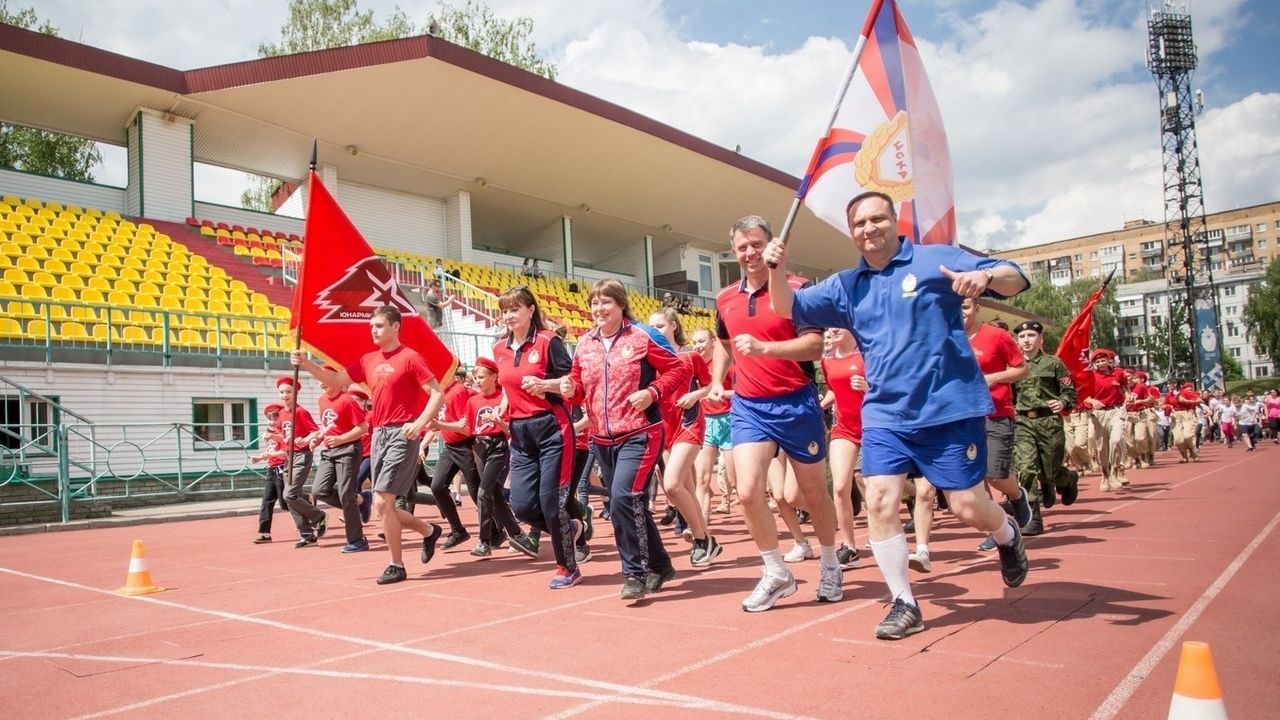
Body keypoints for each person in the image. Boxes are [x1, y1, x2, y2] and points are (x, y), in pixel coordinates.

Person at [764, 191, 1031, 640]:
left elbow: (1016, 277)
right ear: (851, 232)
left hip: (948, 408)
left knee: (967, 505)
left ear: (894, 221)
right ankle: (904, 602)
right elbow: (787, 307)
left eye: (877, 219)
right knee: (881, 500)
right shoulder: (847, 285)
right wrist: (774, 270)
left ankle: (1006, 533)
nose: (869, 229)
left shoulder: (934, 260)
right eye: (860, 223)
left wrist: (983, 277)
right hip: (886, 413)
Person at [707, 214, 843, 613]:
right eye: (742, 246)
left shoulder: (799, 290)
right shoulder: (725, 297)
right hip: (749, 404)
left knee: (813, 493)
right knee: (748, 491)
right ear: (734, 252)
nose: (750, 252)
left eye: (757, 244)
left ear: (773, 245)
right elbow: (724, 341)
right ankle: (776, 571)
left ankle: (831, 562)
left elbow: (815, 348)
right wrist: (718, 377)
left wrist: (766, 349)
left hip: (796, 402)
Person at [292, 306, 447, 585]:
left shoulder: (410, 358)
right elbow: (335, 380)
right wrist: (306, 363)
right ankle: (428, 530)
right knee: (382, 507)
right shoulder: (368, 359)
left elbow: (437, 393)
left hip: (403, 433)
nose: (373, 331)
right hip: (379, 435)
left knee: (382, 501)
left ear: (395, 327)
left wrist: (419, 423)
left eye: (379, 325)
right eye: (371, 326)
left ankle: (396, 565)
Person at [562, 279, 689, 599]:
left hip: (641, 433)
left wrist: (653, 391)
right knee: (630, 502)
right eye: (594, 303)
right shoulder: (584, 344)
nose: (599, 309)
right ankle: (660, 564)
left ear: (621, 305)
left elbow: (677, 370)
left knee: (621, 499)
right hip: (602, 438)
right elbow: (578, 388)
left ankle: (635, 572)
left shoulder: (643, 336)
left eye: (606, 302)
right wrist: (570, 390)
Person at [492, 286, 585, 589]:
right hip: (520, 433)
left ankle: (567, 567)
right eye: (505, 310)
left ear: (531, 310)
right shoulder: (499, 348)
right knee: (521, 506)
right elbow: (508, 385)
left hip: (552, 428)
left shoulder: (548, 342)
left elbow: (573, 383)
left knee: (550, 503)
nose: (509, 316)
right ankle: (570, 527)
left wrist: (547, 385)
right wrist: (502, 409)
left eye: (515, 309)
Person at [649, 306, 723, 567]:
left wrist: (694, 395)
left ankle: (702, 539)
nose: (654, 331)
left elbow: (710, 385)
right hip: (664, 428)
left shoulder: (690, 357)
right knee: (686, 488)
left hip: (689, 424)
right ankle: (707, 539)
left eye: (659, 326)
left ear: (673, 326)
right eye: (651, 327)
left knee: (672, 485)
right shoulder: (650, 359)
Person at [958, 297, 1032, 551]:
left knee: (994, 473)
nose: (961, 312)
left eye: (966, 307)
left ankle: (1017, 495)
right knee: (976, 478)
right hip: (962, 417)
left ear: (977, 308)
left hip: (996, 412)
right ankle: (995, 528)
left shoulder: (996, 336)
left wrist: (995, 378)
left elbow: (1022, 369)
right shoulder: (946, 337)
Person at [449, 357, 537, 558]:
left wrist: (498, 422)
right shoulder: (472, 401)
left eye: (481, 377)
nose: (477, 381)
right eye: (475, 377)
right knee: (494, 493)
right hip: (479, 447)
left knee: (484, 492)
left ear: (494, 376)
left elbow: (509, 431)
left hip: (498, 445)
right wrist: (443, 426)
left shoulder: (502, 400)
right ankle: (517, 534)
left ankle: (484, 541)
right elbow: (468, 430)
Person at [1010, 320, 1080, 536]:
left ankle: (1068, 479)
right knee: (1027, 469)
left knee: (1050, 473)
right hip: (1023, 423)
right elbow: (1009, 394)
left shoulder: (1054, 364)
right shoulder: (1013, 366)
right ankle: (1032, 518)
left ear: (1040, 340)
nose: (1026, 340)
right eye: (1022, 337)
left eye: (1031, 336)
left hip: (1049, 422)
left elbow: (1070, 392)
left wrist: (1063, 402)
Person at [819, 327, 866, 569]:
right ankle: (849, 546)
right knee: (839, 486)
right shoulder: (826, 360)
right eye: (829, 326)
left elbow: (890, 388)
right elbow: (834, 391)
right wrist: (819, 405)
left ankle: (886, 534)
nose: (833, 330)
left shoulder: (868, 353)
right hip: (843, 429)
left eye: (838, 324)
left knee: (869, 486)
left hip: (873, 426)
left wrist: (869, 388)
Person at [309, 369, 370, 553]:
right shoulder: (321, 400)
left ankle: (357, 540)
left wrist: (340, 439)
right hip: (329, 451)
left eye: (325, 378)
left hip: (348, 450)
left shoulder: (348, 400)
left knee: (345, 494)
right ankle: (360, 500)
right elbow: (328, 426)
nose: (322, 381)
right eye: (319, 378)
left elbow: (362, 428)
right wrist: (317, 438)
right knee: (318, 490)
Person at [691, 328, 737, 517]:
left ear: (713, 342)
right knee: (702, 478)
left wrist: (722, 393)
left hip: (730, 420)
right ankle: (702, 530)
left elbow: (743, 391)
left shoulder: (727, 364)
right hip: (706, 422)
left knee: (737, 481)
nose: (697, 346)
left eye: (701, 341)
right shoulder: (694, 365)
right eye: (694, 342)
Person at [276, 376, 324, 548]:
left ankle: (318, 516)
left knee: (289, 494)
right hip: (288, 457)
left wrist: (306, 439)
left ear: (296, 392)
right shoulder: (281, 414)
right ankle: (307, 535)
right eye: (282, 392)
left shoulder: (300, 412)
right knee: (290, 497)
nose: (285, 395)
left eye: (288, 392)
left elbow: (316, 431)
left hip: (302, 455)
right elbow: (284, 435)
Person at [1083, 349, 1128, 491]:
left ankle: (1115, 471)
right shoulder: (1090, 376)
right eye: (1097, 362)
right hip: (1099, 413)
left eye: (1103, 360)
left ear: (1109, 360)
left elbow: (1124, 388)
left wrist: (1129, 395)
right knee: (1102, 447)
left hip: (1116, 410)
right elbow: (1083, 396)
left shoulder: (1119, 373)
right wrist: (1093, 401)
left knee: (1116, 439)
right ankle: (1105, 476)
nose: (1101, 364)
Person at [249, 403, 288, 544]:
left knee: (285, 503)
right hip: (271, 470)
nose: (272, 422)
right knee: (267, 501)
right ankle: (265, 533)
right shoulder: (269, 435)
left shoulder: (283, 434)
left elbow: (285, 453)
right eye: (269, 419)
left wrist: (266, 455)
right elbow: (270, 453)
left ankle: (307, 502)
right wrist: (259, 458)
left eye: (275, 419)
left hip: (282, 469)